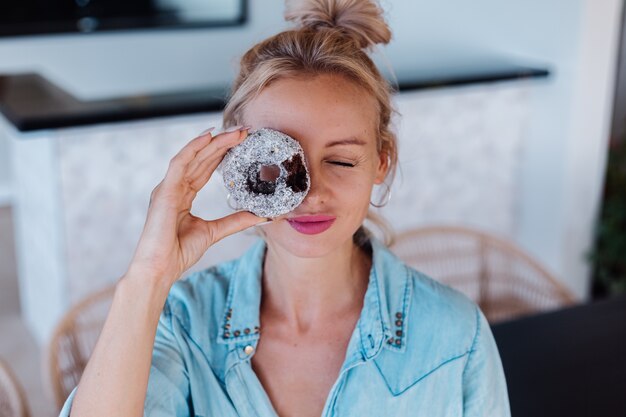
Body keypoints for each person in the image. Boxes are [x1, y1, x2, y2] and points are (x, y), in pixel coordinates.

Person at [59, 0, 511, 416]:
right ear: (232, 162)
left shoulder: (456, 337)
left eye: (340, 160)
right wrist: (148, 276)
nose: (310, 193)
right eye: (277, 167)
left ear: (381, 162)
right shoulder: (182, 324)